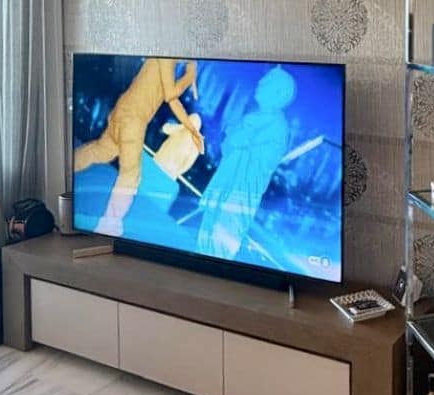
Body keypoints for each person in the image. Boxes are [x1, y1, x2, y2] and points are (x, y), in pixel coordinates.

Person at [73, 58, 201, 236]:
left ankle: (65, 168)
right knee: (130, 175)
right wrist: (190, 74)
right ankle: (109, 225)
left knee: (101, 150)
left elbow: (174, 103)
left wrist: (189, 127)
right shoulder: (165, 59)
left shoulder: (163, 64)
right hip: (133, 120)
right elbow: (171, 94)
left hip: (124, 111)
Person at [194, 64, 296, 258]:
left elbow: (244, 145)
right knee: (204, 240)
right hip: (224, 184)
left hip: (239, 195)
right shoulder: (253, 118)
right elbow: (228, 145)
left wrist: (239, 136)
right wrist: (238, 137)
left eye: (266, 82)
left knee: (220, 245)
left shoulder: (278, 126)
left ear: (279, 94)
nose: (260, 83)